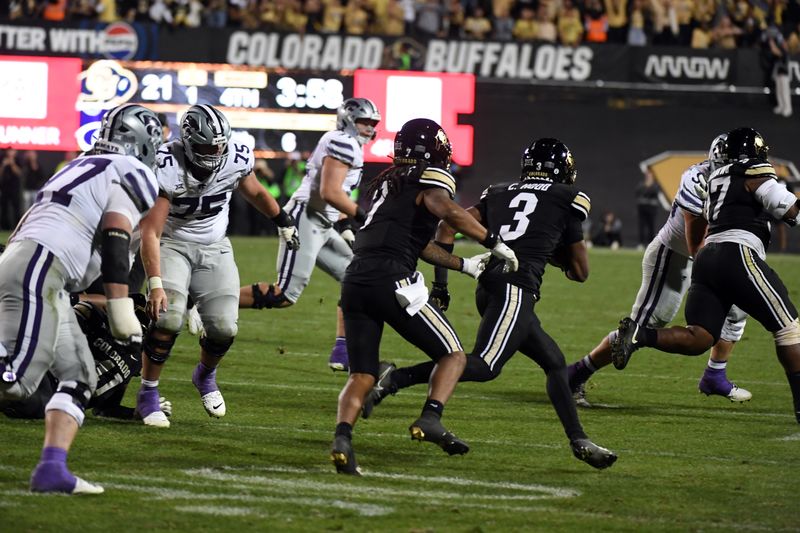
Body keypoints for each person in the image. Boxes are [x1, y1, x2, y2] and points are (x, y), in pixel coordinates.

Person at [361, 138, 617, 470]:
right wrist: (549, 252)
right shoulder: (568, 198)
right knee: (484, 366)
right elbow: (580, 272)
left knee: (554, 361)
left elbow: (446, 226)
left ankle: (579, 440)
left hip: (488, 284)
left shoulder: (497, 191)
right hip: (515, 288)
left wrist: (442, 283)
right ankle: (395, 381)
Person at [330, 118, 520, 475]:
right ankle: (430, 418)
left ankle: (342, 438)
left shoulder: (389, 182)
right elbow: (446, 210)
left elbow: (419, 246)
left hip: (355, 278)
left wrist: (463, 265)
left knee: (362, 375)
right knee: (453, 355)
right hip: (392, 279)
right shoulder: (431, 177)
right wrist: (493, 242)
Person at [0, 103, 162, 494]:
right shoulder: (133, 171)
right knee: (17, 381)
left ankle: (51, 470)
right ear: (142, 142)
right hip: (41, 266)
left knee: (78, 375)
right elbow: (116, 230)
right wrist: (122, 305)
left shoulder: (77, 166)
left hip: (33, 265)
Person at [611, 127, 800, 424]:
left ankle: (641, 335)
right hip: (737, 252)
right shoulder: (754, 170)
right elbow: (786, 207)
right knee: (789, 329)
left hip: (706, 258)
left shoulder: (714, 177)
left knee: (699, 337)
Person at [136, 104, 299, 428]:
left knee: (224, 328)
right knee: (168, 318)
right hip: (172, 243)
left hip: (215, 246)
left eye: (220, 145)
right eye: (208, 146)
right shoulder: (168, 163)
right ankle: (148, 393)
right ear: (189, 142)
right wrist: (154, 283)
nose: (216, 152)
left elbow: (253, 190)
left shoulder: (236, 155)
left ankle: (205, 375)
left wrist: (281, 219)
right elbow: (151, 231)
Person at [568, 134, 752, 407]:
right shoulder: (698, 179)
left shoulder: (753, 183)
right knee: (638, 330)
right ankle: (574, 374)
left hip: (712, 253)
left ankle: (715, 375)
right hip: (675, 255)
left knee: (738, 309)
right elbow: (694, 240)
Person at [238, 98, 381, 372]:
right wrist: (364, 217)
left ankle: (342, 351)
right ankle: (212, 303)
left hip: (322, 222)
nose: (369, 127)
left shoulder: (350, 145)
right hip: (306, 219)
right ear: (349, 119)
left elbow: (336, 195)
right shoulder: (343, 142)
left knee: (356, 279)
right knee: (283, 296)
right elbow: (330, 192)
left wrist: (347, 225)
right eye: (365, 121)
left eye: (373, 123)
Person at [1, 293, 171, 421]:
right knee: (22, 395)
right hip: (44, 376)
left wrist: (137, 412)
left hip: (58, 401)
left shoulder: (136, 361)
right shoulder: (92, 318)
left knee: (31, 406)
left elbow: (106, 409)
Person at [635, 170, 662, 248]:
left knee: (651, 226)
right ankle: (641, 243)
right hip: (642, 208)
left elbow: (654, 192)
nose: (648, 177)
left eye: (650, 175)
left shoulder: (655, 185)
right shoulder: (641, 184)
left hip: (651, 209)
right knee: (641, 225)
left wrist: (647, 190)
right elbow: (637, 192)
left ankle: (650, 243)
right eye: (647, 175)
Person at [0, 148, 24, 230]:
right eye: (9, 151)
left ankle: (17, 228)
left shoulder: (18, 160)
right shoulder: (2, 159)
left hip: (15, 188)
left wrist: (12, 164)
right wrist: (4, 165)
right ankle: (4, 227)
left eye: (12, 151)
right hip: (4, 187)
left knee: (16, 208)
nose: (11, 153)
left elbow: (19, 173)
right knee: (4, 209)